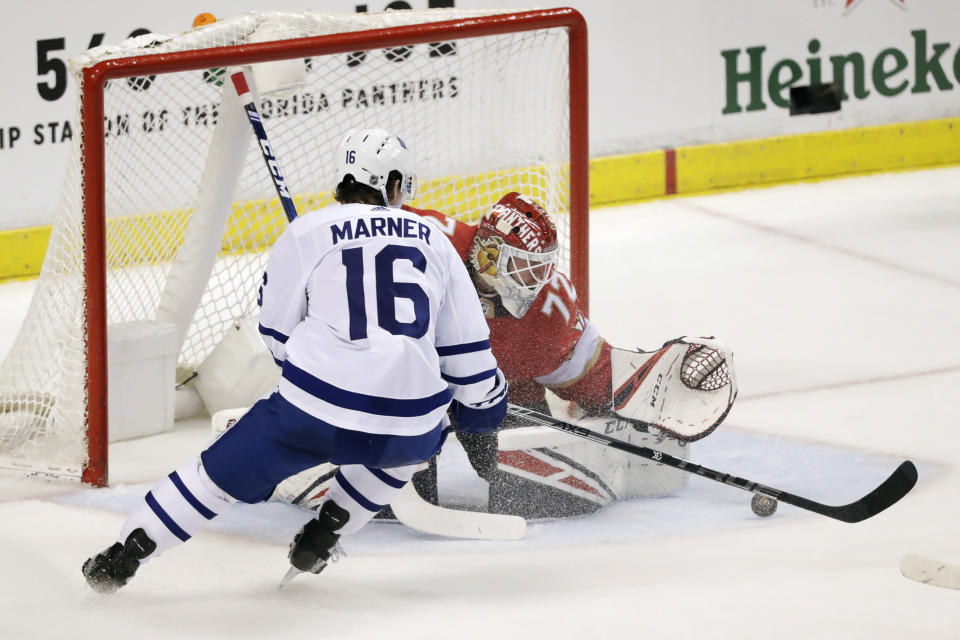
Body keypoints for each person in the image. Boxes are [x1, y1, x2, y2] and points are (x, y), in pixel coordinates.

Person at [81, 128, 509, 593]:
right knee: (407, 446)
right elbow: (469, 361)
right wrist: (483, 411)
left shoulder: (306, 231)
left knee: (212, 479)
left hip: (312, 413)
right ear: (389, 182)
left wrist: (324, 364)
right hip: (410, 424)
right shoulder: (435, 240)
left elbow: (276, 335)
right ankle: (323, 537)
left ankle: (122, 558)